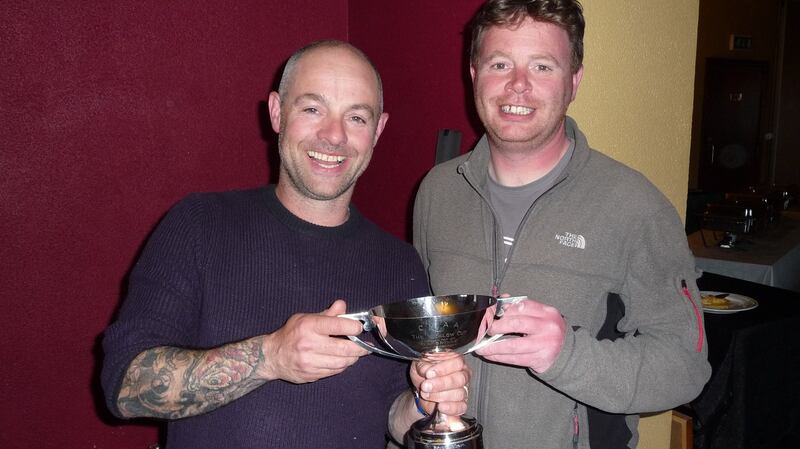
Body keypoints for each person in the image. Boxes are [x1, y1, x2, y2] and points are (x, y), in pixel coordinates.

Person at [101, 40, 449, 449]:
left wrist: (424, 403)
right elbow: (125, 385)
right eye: (312, 108)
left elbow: (392, 414)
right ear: (277, 112)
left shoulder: (400, 263)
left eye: (356, 117)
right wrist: (270, 357)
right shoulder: (199, 225)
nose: (333, 135)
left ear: (378, 130)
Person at [411, 1, 712, 448]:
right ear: (474, 76)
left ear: (574, 81)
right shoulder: (437, 192)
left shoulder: (636, 208)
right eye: (499, 63)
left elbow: (686, 366)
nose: (517, 85)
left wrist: (566, 356)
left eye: (542, 66)